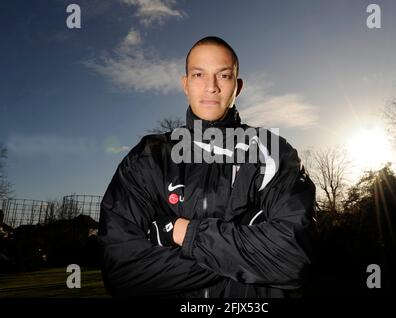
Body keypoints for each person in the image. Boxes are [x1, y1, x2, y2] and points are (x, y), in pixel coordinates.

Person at [98, 36, 317, 298]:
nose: (211, 87)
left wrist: (181, 232)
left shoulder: (272, 151)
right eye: (199, 74)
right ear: (185, 84)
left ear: (237, 86)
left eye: (223, 76)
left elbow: (291, 258)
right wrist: (245, 242)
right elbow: (121, 271)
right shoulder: (148, 157)